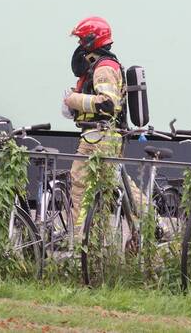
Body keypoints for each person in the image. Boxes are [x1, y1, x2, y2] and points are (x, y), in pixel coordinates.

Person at [62, 16, 128, 226]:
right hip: (99, 135)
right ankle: (152, 223)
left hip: (99, 137)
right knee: (120, 185)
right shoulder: (100, 66)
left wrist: (75, 100)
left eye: (82, 41)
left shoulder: (104, 68)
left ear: (93, 40)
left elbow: (107, 104)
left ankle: (79, 236)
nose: (80, 46)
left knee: (80, 183)